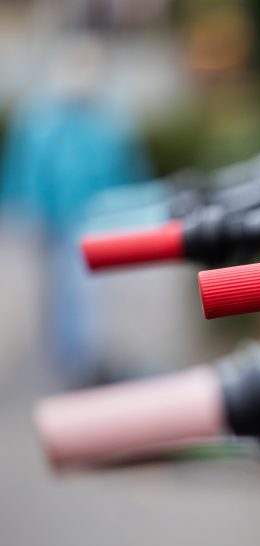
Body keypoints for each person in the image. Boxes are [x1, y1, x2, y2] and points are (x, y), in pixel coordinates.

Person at [1, 33, 151, 387]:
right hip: (57, 221)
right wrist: (28, 212)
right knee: (65, 291)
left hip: (94, 218)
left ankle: (83, 357)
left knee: (88, 292)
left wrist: (130, 210)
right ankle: (72, 358)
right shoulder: (40, 116)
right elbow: (26, 169)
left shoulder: (108, 117)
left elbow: (124, 166)